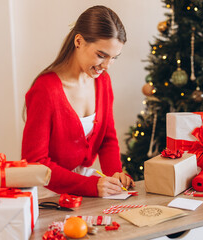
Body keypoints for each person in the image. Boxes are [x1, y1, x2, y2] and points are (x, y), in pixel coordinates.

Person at [22, 5, 135, 197]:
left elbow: (107, 138)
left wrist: (115, 174)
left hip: (82, 184)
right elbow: (35, 163)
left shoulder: (103, 82)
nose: (107, 66)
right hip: (48, 189)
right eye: (101, 55)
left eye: (114, 58)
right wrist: (91, 186)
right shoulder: (45, 90)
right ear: (79, 41)